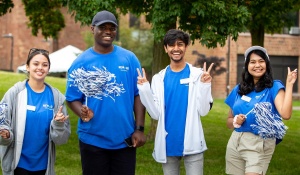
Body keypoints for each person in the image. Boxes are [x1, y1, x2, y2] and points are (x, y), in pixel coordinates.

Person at [65, 10, 146, 175]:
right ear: (92, 29)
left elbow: (139, 94)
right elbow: (72, 98)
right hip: (92, 139)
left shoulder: (129, 59)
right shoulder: (81, 63)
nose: (108, 31)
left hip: (125, 140)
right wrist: (82, 112)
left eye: (112, 28)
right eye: (103, 27)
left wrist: (139, 128)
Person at [136, 29, 214, 175]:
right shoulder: (159, 78)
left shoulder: (198, 76)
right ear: (166, 49)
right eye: (171, 45)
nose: (176, 48)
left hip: (193, 142)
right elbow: (155, 114)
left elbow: (203, 111)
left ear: (185, 47)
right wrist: (145, 89)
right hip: (168, 144)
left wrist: (205, 86)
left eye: (180, 44)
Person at [225, 46, 298, 175]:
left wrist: (290, 84)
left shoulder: (274, 86)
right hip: (235, 142)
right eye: (252, 62)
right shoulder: (239, 89)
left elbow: (286, 114)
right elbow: (229, 122)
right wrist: (235, 120)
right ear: (247, 65)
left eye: (261, 61)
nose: (257, 65)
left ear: (267, 64)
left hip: (259, 142)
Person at [0, 48, 71, 175]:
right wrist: (5, 133)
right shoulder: (14, 93)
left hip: (44, 167)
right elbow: (2, 121)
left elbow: (61, 140)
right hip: (17, 165)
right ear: (27, 67)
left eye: (45, 65)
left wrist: (58, 124)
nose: (40, 68)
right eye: (36, 64)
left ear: (49, 69)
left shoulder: (57, 98)